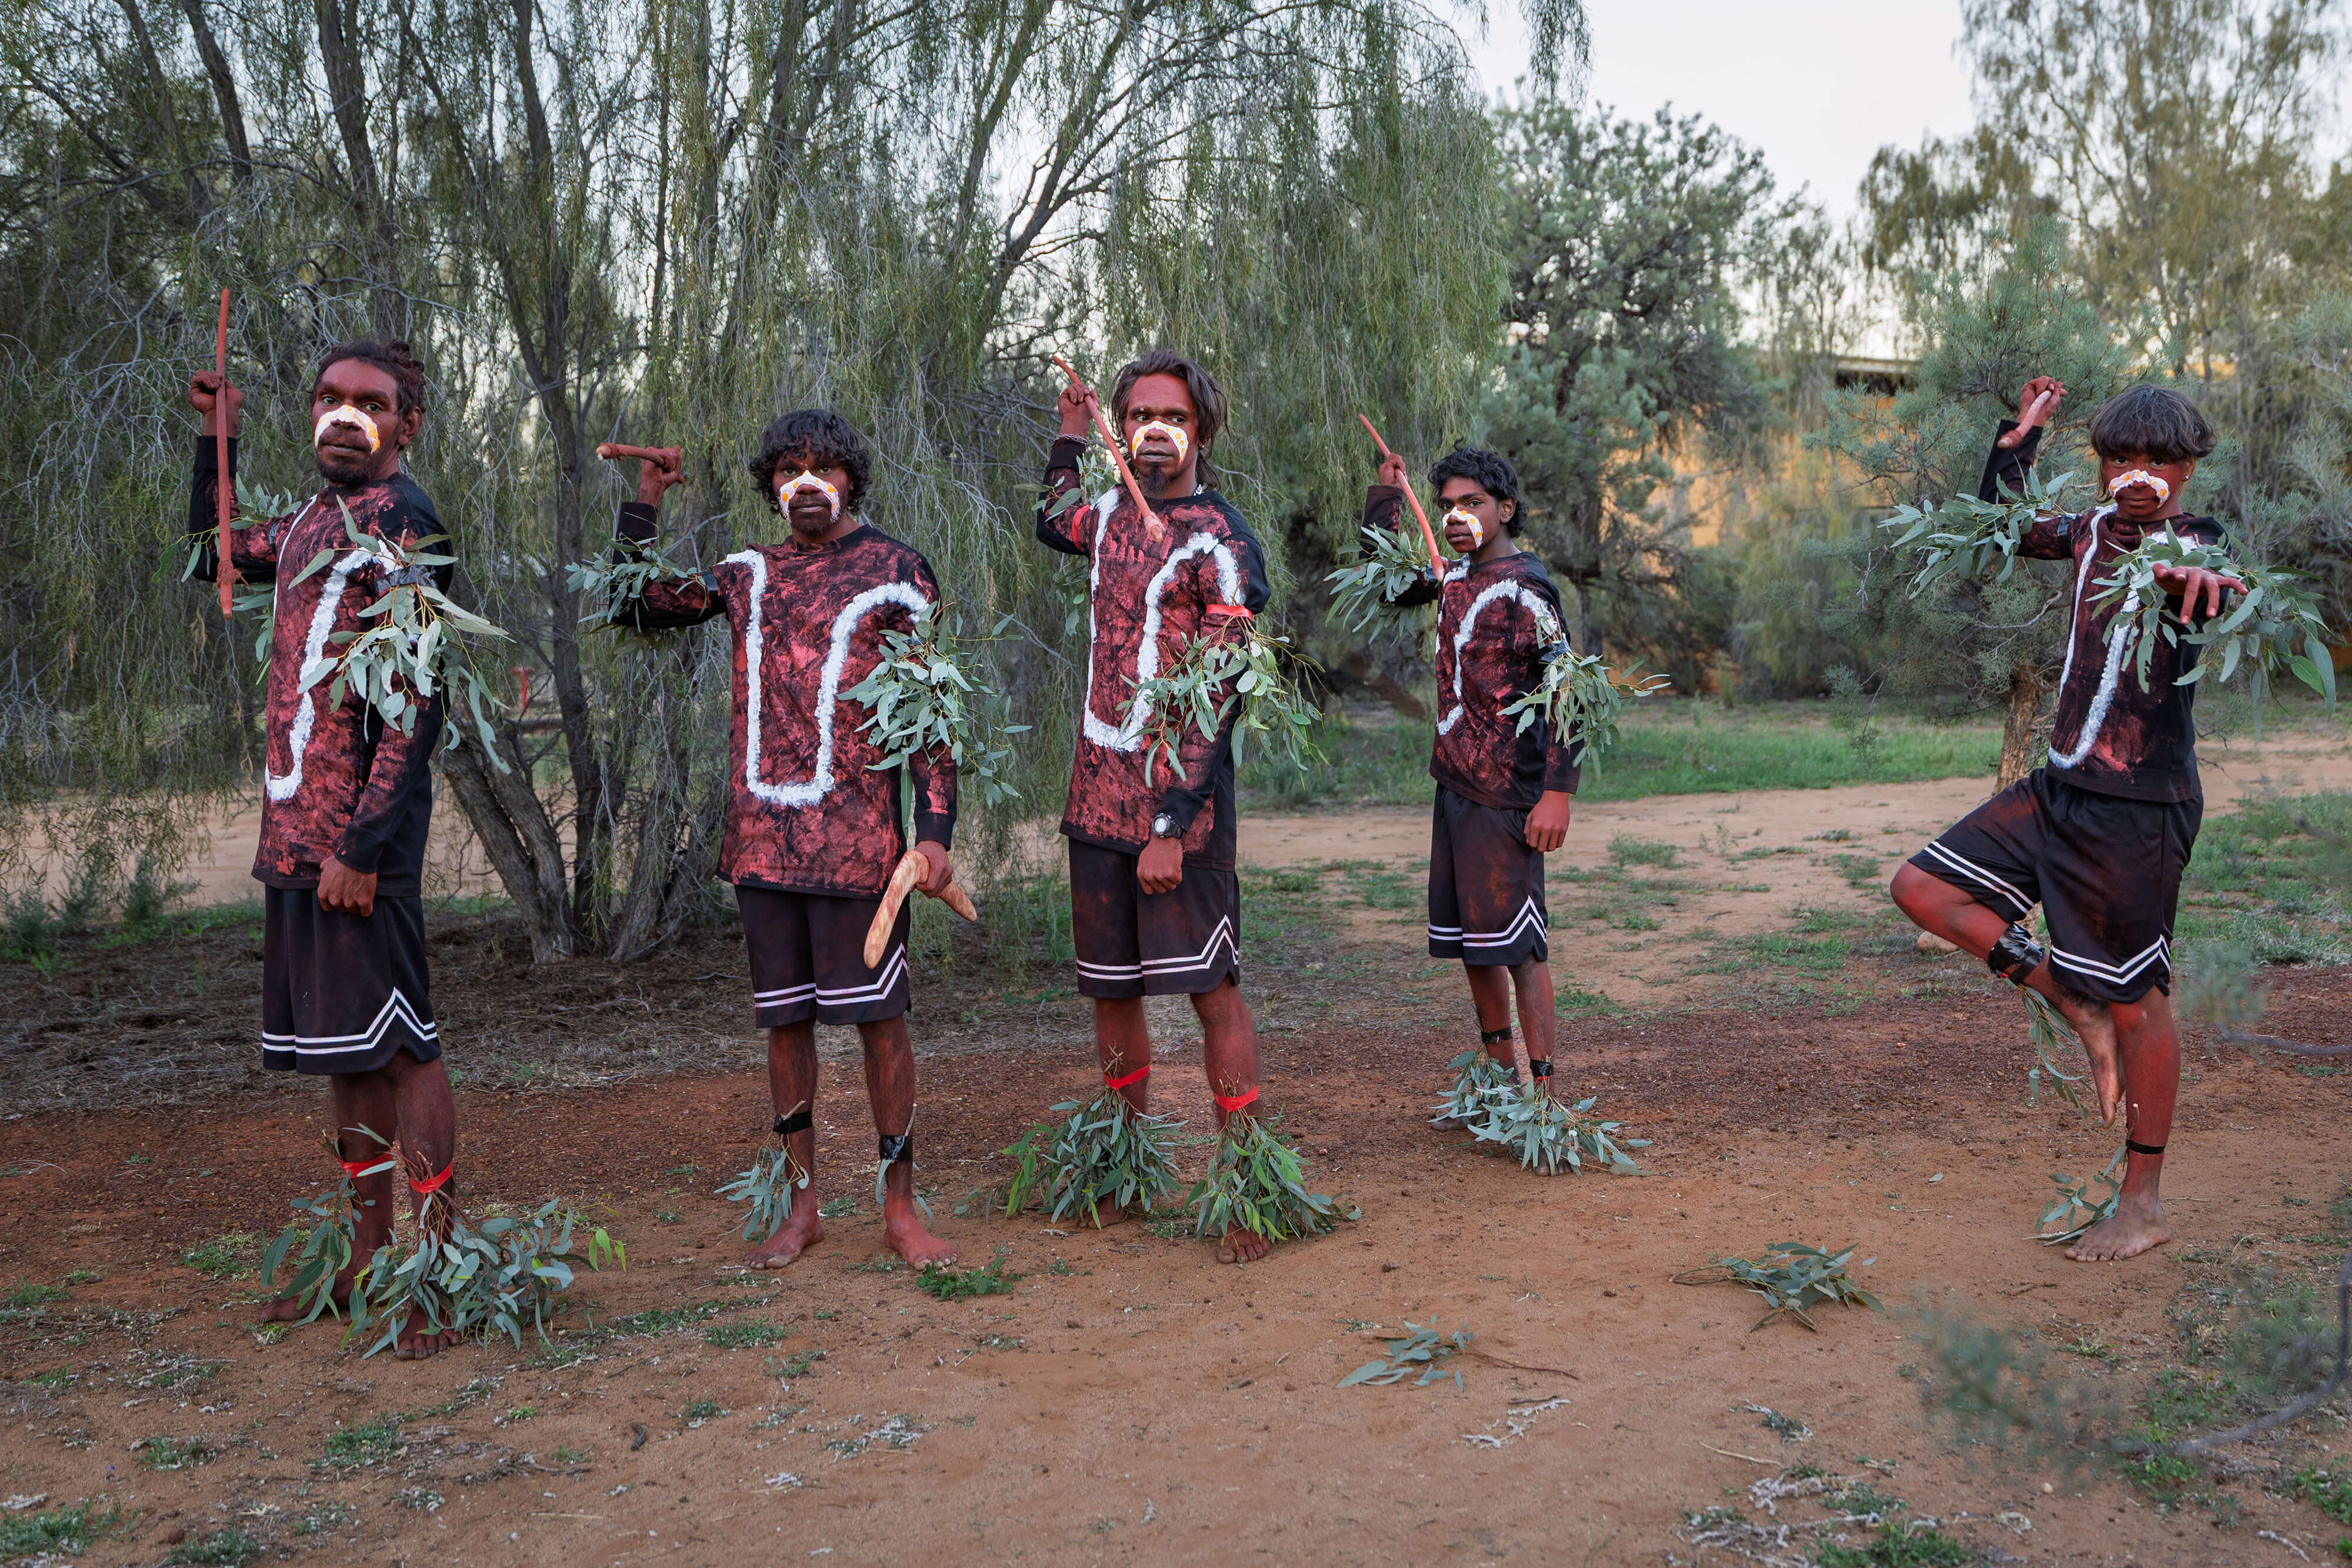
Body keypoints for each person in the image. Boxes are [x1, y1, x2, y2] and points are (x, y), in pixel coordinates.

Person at [1890, 377, 2243, 1263]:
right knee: (1921, 886)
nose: (2137, 474)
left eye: (2158, 460)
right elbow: (1999, 524)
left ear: (2188, 468)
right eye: (2120, 457)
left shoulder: (2193, 543)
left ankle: (2145, 1201)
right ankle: (2064, 993)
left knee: (2140, 1002)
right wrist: (2020, 441)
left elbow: (2212, 579)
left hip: (2137, 809)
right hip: (2059, 790)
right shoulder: (2088, 532)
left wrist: (2200, 581)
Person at [604, 410, 957, 1270]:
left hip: (863, 849)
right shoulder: (745, 573)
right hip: (763, 845)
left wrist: (935, 831)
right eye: (788, 469)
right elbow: (634, 603)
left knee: (882, 1024)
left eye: (823, 468)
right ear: (768, 484)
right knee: (786, 1025)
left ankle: (901, 1207)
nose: (805, 483)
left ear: (851, 480)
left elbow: (932, 716)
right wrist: (645, 501)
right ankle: (804, 1206)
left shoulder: (898, 573)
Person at [185, 340, 462, 1359]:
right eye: (331, 400)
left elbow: (417, 700)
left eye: (371, 403)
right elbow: (208, 554)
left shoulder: (405, 523)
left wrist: (366, 844)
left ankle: (433, 1271)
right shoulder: (310, 521)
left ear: (407, 424)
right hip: (295, 834)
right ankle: (365, 1252)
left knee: (404, 1045)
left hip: (357, 845)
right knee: (349, 1054)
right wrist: (217, 441)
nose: (347, 416)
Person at [1037, 351, 1279, 1262]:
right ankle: (1122, 1167)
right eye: (1136, 412)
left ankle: (1250, 1187)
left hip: (1182, 812)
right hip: (1095, 796)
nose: (1152, 427)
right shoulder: (1104, 518)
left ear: (1202, 428)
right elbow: (1049, 518)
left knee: (1211, 992)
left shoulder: (1223, 540)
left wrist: (1173, 822)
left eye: (1171, 413)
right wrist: (1069, 430)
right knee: (1112, 993)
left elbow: (1222, 692)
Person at [1359, 445, 1580, 1097]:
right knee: (1476, 947)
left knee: (1519, 948)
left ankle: (1543, 1102)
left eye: (1473, 504)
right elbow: (1385, 580)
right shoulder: (1451, 576)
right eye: (1448, 506)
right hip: (1454, 787)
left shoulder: (1524, 587)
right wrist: (1386, 499)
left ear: (1505, 509)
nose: (1456, 516)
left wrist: (1556, 794)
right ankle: (1497, 1083)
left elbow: (1571, 692)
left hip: (1505, 795)